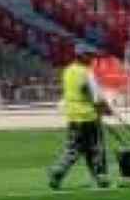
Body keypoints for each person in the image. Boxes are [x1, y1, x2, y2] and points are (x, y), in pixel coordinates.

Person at [48, 46, 113, 191]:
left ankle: (58, 172)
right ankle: (101, 177)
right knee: (96, 149)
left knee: (73, 149)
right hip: (89, 117)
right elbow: (96, 97)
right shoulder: (86, 73)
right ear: (82, 56)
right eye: (90, 56)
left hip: (73, 117)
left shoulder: (68, 71)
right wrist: (107, 110)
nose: (92, 59)